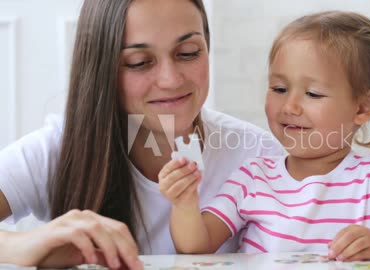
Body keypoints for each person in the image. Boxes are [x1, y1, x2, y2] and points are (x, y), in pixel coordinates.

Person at [159, 11, 370, 261]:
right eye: (279, 89)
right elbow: (196, 246)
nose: (289, 106)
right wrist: (185, 203)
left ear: (363, 106)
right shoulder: (253, 177)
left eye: (313, 94)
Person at [0, 0, 282, 269]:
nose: (171, 80)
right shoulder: (59, 148)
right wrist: (22, 245)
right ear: (102, 69)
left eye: (188, 53)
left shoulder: (259, 155)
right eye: (138, 62)